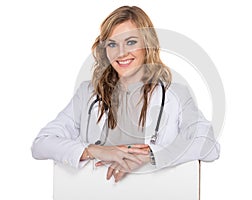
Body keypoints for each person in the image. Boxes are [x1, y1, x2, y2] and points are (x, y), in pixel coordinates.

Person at [31, 5, 220, 183]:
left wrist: (149, 155)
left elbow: (208, 145)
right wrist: (95, 151)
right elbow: (41, 144)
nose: (121, 53)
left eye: (130, 42)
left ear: (147, 45)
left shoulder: (175, 94)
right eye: (113, 44)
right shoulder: (88, 93)